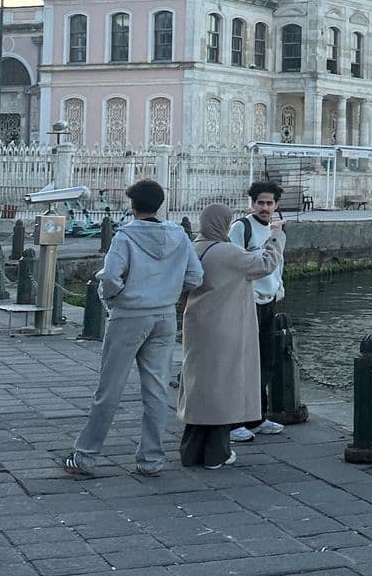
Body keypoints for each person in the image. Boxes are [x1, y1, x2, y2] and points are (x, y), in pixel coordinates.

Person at [61, 179, 203, 478]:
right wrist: (170, 292)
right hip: (164, 316)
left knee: (109, 388)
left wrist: (114, 298)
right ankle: (151, 458)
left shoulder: (125, 237)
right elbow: (195, 276)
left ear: (133, 205)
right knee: (156, 389)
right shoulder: (179, 235)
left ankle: (86, 456)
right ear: (160, 203)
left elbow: (111, 276)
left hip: (129, 315)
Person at [178, 203, 284, 468]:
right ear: (224, 224)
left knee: (198, 385)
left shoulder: (193, 248)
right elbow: (265, 263)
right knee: (221, 387)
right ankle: (217, 452)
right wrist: (276, 237)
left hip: (196, 325)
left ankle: (191, 451)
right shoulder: (227, 252)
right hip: (224, 327)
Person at [230, 178, 288, 445]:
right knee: (243, 361)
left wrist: (279, 288)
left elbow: (277, 264)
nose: (265, 207)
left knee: (266, 360)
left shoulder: (276, 231)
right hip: (247, 301)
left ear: (276, 205)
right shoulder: (241, 228)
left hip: (269, 301)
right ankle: (235, 421)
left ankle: (257, 416)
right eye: (260, 203)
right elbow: (233, 263)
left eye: (269, 203)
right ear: (252, 203)